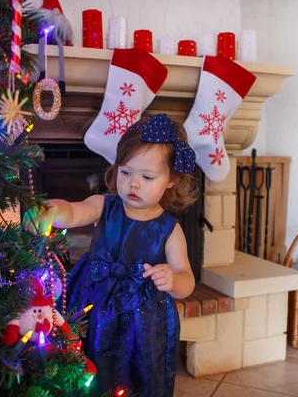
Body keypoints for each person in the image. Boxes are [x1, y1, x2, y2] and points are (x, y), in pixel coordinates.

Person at [23, 114, 198, 396]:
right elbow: (73, 210)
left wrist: (173, 280)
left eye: (147, 176)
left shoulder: (169, 229)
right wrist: (53, 209)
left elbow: (186, 280)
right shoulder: (104, 205)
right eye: (126, 172)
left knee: (134, 374)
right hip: (91, 300)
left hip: (141, 319)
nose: (133, 184)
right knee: (84, 360)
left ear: (171, 180)